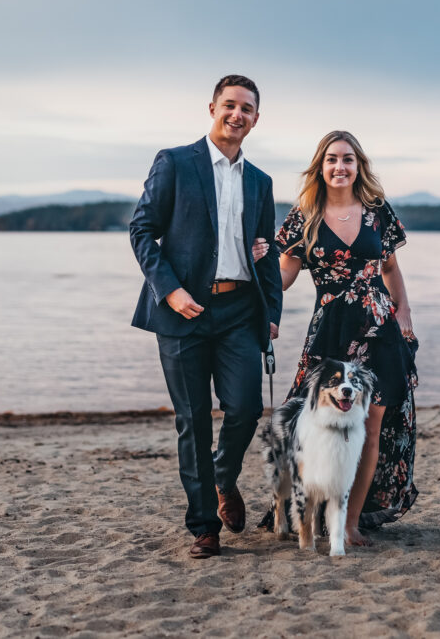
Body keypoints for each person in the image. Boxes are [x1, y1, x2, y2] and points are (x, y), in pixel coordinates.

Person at [129, 75, 282, 559]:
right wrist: (169, 291)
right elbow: (141, 231)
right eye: (230, 105)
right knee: (192, 420)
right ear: (212, 107)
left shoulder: (260, 181)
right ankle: (204, 527)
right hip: (183, 312)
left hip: (240, 311)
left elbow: (266, 251)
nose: (237, 115)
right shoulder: (174, 162)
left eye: (247, 109)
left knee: (245, 408)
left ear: (256, 119)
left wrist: (271, 311)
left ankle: (223, 476)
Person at [267, 130, 419, 546]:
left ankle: (350, 523)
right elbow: (283, 275)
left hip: (380, 329)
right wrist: (261, 299)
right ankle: (308, 511)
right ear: (320, 167)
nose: (340, 166)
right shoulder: (304, 215)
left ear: (358, 166)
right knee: (316, 425)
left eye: (348, 159)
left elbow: (390, 268)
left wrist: (403, 313)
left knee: (370, 428)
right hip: (331, 331)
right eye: (332, 159)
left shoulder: (376, 212)